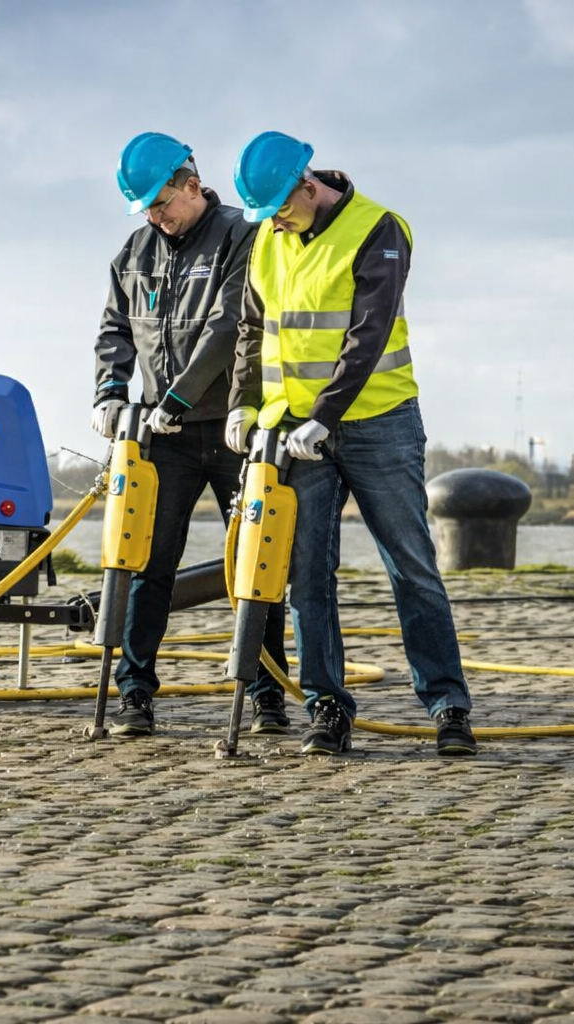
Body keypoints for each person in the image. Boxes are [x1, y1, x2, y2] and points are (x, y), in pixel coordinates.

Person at [225, 130, 478, 757]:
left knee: (411, 566)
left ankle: (448, 707)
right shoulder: (267, 239)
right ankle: (326, 709)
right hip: (294, 433)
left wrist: (326, 417)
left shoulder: (379, 230)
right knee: (306, 575)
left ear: (308, 186)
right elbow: (251, 332)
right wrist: (244, 404)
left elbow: (369, 334)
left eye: (281, 208)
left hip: (377, 424)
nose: (276, 224)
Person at [93, 131, 291, 738]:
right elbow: (114, 328)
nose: (157, 215)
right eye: (148, 206)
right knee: (147, 561)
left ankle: (266, 693)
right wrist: (109, 389)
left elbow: (230, 324)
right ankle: (134, 694)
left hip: (232, 425)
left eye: (163, 201)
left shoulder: (240, 235)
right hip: (164, 436)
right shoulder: (135, 251)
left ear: (191, 182)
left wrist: (176, 396)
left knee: (254, 565)